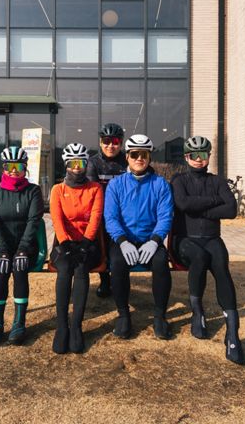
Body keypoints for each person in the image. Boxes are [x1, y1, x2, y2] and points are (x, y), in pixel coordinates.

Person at [170, 136, 245, 365]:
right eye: (194, 155)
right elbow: (183, 204)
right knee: (200, 258)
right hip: (184, 240)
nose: (199, 159)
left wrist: (200, 209)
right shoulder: (179, 180)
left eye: (203, 155)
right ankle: (197, 311)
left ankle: (233, 333)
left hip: (212, 238)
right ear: (186, 157)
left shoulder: (217, 181)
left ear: (209, 156)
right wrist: (214, 201)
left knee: (221, 267)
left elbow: (231, 209)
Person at [104, 134, 174, 340]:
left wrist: (155, 241)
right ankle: (123, 315)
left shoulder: (160, 184)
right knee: (117, 263)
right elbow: (111, 217)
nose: (139, 159)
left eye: (144, 154)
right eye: (134, 154)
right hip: (123, 240)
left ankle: (160, 316)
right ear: (127, 157)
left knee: (161, 263)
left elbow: (165, 217)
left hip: (150, 239)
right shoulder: (116, 185)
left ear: (149, 157)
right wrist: (122, 241)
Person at [0, 146, 44, 346]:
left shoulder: (33, 191)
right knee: (1, 271)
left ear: (25, 167)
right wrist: (2, 251)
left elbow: (34, 221)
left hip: (27, 246)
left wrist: (23, 249)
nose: (13, 170)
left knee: (20, 267)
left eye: (18, 166)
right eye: (9, 166)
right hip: (2, 246)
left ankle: (19, 322)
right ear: (3, 168)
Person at [50, 143, 103, 354]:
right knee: (64, 269)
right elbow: (57, 219)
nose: (77, 167)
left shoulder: (95, 188)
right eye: (72, 163)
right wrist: (65, 243)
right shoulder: (57, 190)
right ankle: (62, 326)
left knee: (81, 268)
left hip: (88, 244)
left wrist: (85, 243)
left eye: (81, 162)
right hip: (64, 243)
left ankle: (76, 327)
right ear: (66, 165)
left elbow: (96, 217)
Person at [87, 123, 128, 298]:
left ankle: (121, 278)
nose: (111, 145)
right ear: (100, 142)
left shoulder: (127, 161)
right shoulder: (93, 162)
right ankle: (105, 280)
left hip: (124, 212)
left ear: (121, 143)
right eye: (106, 141)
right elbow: (93, 191)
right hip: (102, 211)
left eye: (116, 141)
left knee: (119, 247)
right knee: (102, 245)